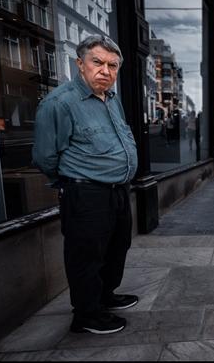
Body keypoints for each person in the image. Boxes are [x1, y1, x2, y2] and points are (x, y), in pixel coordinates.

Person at [32, 35, 138, 335]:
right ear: (81, 64)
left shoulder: (112, 99)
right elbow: (44, 156)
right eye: (98, 62)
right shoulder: (59, 103)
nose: (106, 70)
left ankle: (105, 296)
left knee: (117, 247)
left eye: (112, 65)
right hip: (86, 193)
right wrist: (69, 181)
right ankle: (87, 315)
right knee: (86, 255)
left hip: (117, 191)